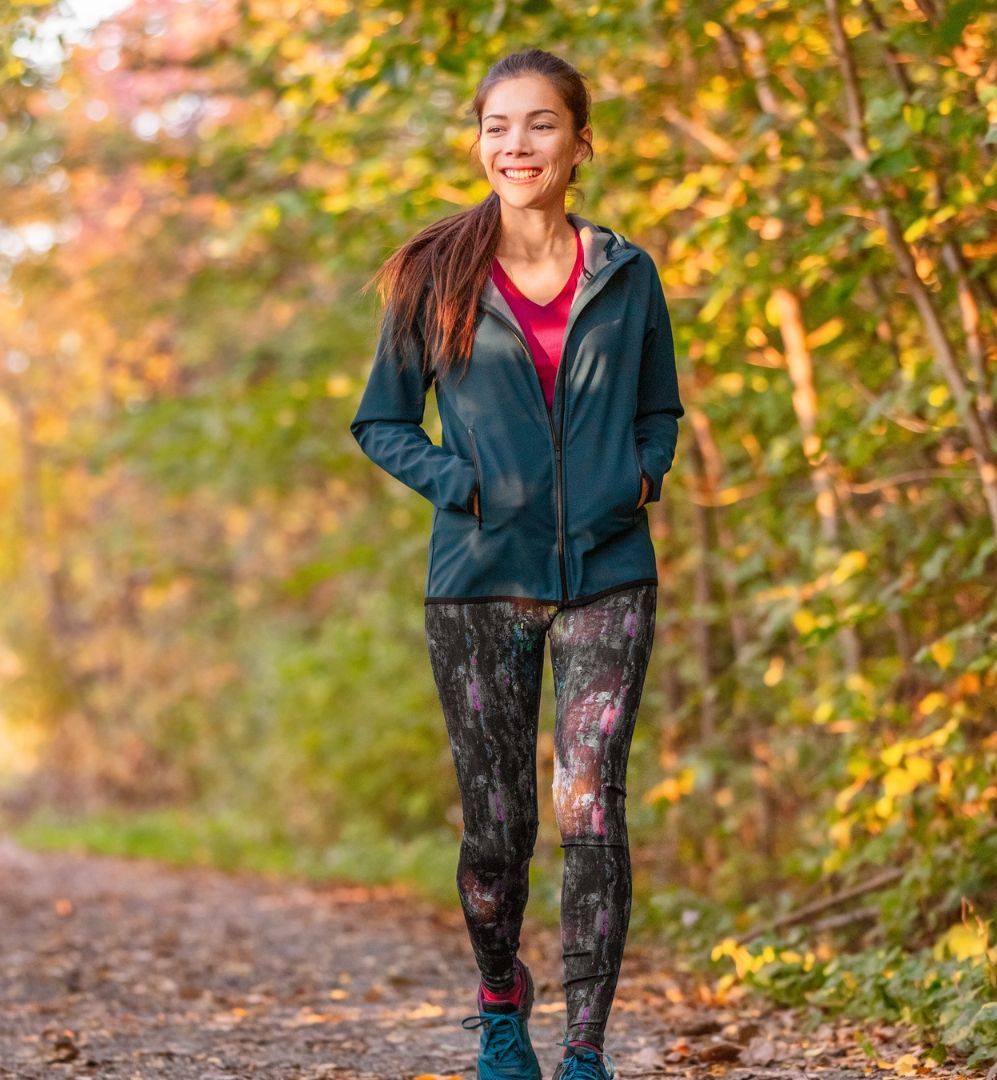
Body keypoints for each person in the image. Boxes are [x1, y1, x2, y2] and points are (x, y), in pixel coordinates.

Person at [349, 48, 683, 1080]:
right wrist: (469, 486)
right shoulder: (434, 273)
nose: (517, 145)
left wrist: (638, 479)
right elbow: (381, 422)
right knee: (499, 826)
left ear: (582, 142)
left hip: (610, 569)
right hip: (479, 580)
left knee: (592, 806)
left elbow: (659, 409)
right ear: (478, 141)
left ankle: (584, 1047)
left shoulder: (627, 274)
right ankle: (502, 1003)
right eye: (498, 126)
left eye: (541, 125)